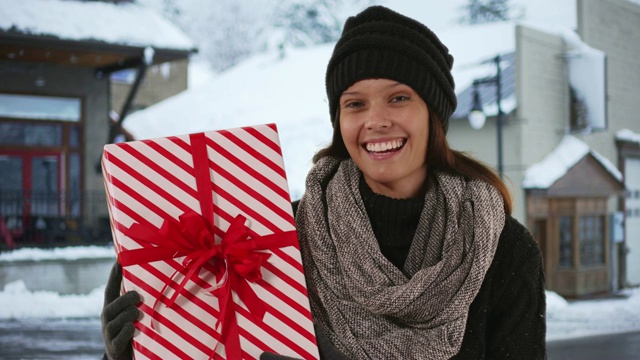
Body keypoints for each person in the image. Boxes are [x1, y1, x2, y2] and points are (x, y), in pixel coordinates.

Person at [101, 5, 546, 359]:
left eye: (398, 98)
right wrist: (134, 352)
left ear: (435, 115)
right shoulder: (284, 235)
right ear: (339, 121)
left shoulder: (501, 249)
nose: (375, 120)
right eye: (355, 104)